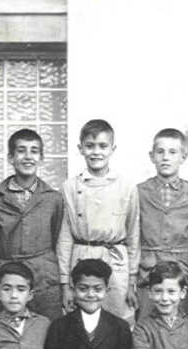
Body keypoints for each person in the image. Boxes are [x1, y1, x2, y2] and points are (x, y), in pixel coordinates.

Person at [57, 119, 140, 323]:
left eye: (103, 146)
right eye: (90, 146)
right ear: (80, 149)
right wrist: (65, 283)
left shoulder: (126, 186)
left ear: (112, 149)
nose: (96, 152)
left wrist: (131, 280)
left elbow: (133, 234)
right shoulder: (70, 187)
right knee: (81, 321)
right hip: (81, 256)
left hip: (116, 260)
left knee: (118, 321)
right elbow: (65, 238)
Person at [0, 128, 64, 320]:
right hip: (9, 275)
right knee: (8, 329)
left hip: (44, 278)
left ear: (41, 158)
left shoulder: (53, 199)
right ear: (10, 158)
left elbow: (57, 237)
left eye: (34, 151)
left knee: (49, 329)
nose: (28, 156)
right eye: (21, 151)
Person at [136, 128, 188, 318]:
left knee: (182, 327)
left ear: (183, 157)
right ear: (152, 156)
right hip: (147, 276)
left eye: (172, 152)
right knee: (147, 326)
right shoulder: (139, 192)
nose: (166, 157)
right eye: (160, 152)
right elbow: (132, 236)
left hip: (182, 275)